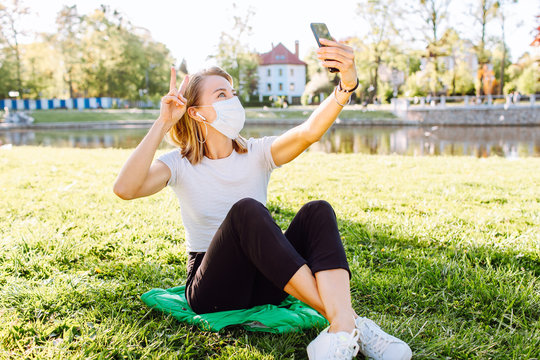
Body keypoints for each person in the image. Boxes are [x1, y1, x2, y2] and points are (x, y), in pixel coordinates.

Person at [113, 38, 412, 360]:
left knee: (317, 211)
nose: (233, 101)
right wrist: (163, 123)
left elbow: (309, 132)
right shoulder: (178, 164)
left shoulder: (256, 153)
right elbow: (125, 189)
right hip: (214, 288)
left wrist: (345, 87)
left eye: (233, 93)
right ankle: (351, 323)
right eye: (221, 95)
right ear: (197, 113)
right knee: (247, 210)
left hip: (267, 281)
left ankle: (343, 326)